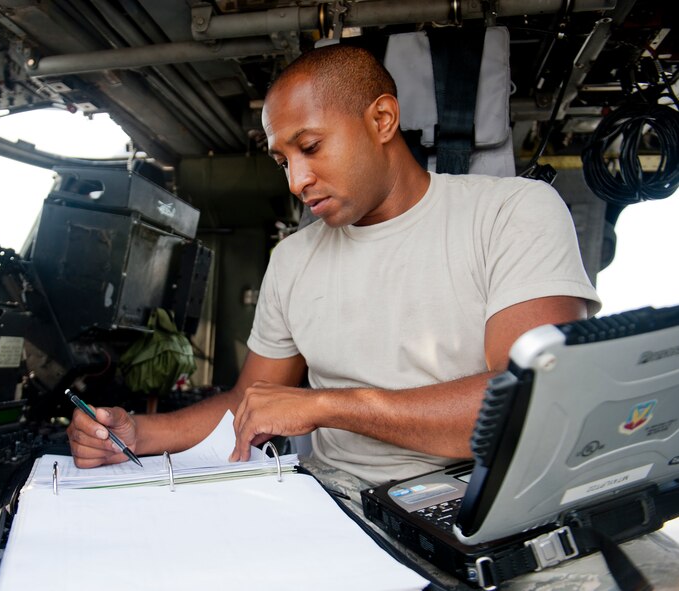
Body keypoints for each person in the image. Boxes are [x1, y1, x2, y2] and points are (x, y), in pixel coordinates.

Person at [66, 44, 600, 484]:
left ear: (382, 120)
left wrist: (326, 406)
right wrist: (137, 433)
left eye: (312, 147)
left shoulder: (512, 212)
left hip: (477, 493)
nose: (296, 181)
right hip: (335, 506)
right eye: (283, 161)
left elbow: (527, 406)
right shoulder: (294, 260)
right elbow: (248, 403)